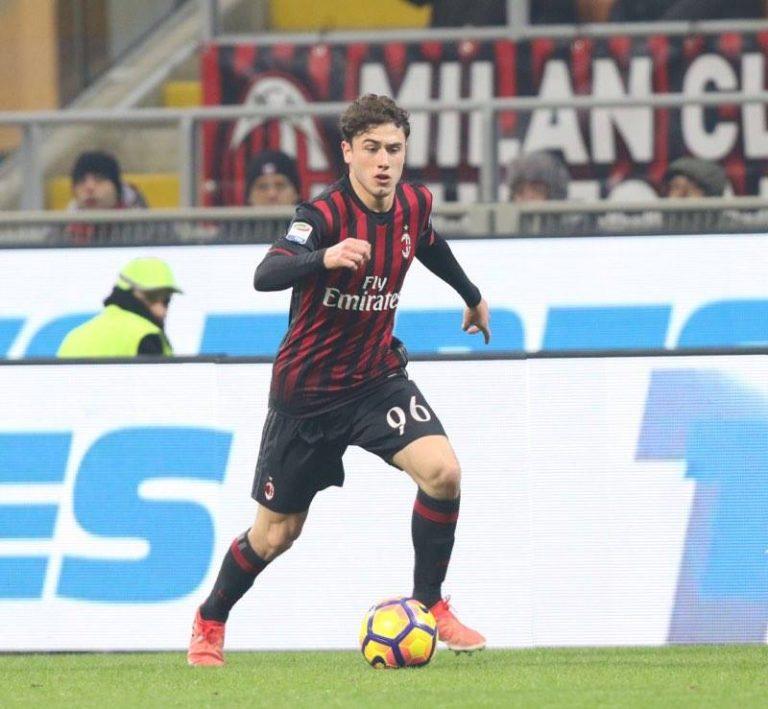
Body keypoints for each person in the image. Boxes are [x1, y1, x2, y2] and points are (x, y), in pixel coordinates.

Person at [188, 94, 491, 666]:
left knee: (443, 473)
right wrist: (322, 258)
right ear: (348, 152)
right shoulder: (321, 215)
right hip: (307, 396)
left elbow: (427, 241)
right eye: (371, 148)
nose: (384, 161)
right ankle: (211, 618)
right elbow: (266, 273)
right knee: (275, 535)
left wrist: (471, 295)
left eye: (394, 149)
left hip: (376, 378)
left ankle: (429, 605)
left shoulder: (414, 203)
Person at [57, 257, 181, 357]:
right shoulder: (146, 336)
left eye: (166, 300)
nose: (161, 310)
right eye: (152, 297)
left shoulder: (73, 338)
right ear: (127, 292)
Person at [50, 151, 173, 246]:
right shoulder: (60, 231)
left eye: (99, 179)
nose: (89, 188)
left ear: (117, 188)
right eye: (81, 181)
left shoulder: (153, 229)